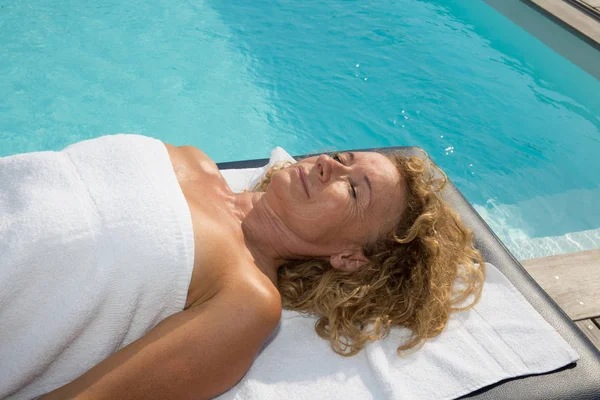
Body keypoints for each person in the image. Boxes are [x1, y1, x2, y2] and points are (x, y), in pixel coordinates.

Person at [1, 134, 484, 399]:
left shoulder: (247, 299)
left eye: (354, 189)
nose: (327, 166)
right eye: (341, 157)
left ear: (350, 257)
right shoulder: (194, 159)